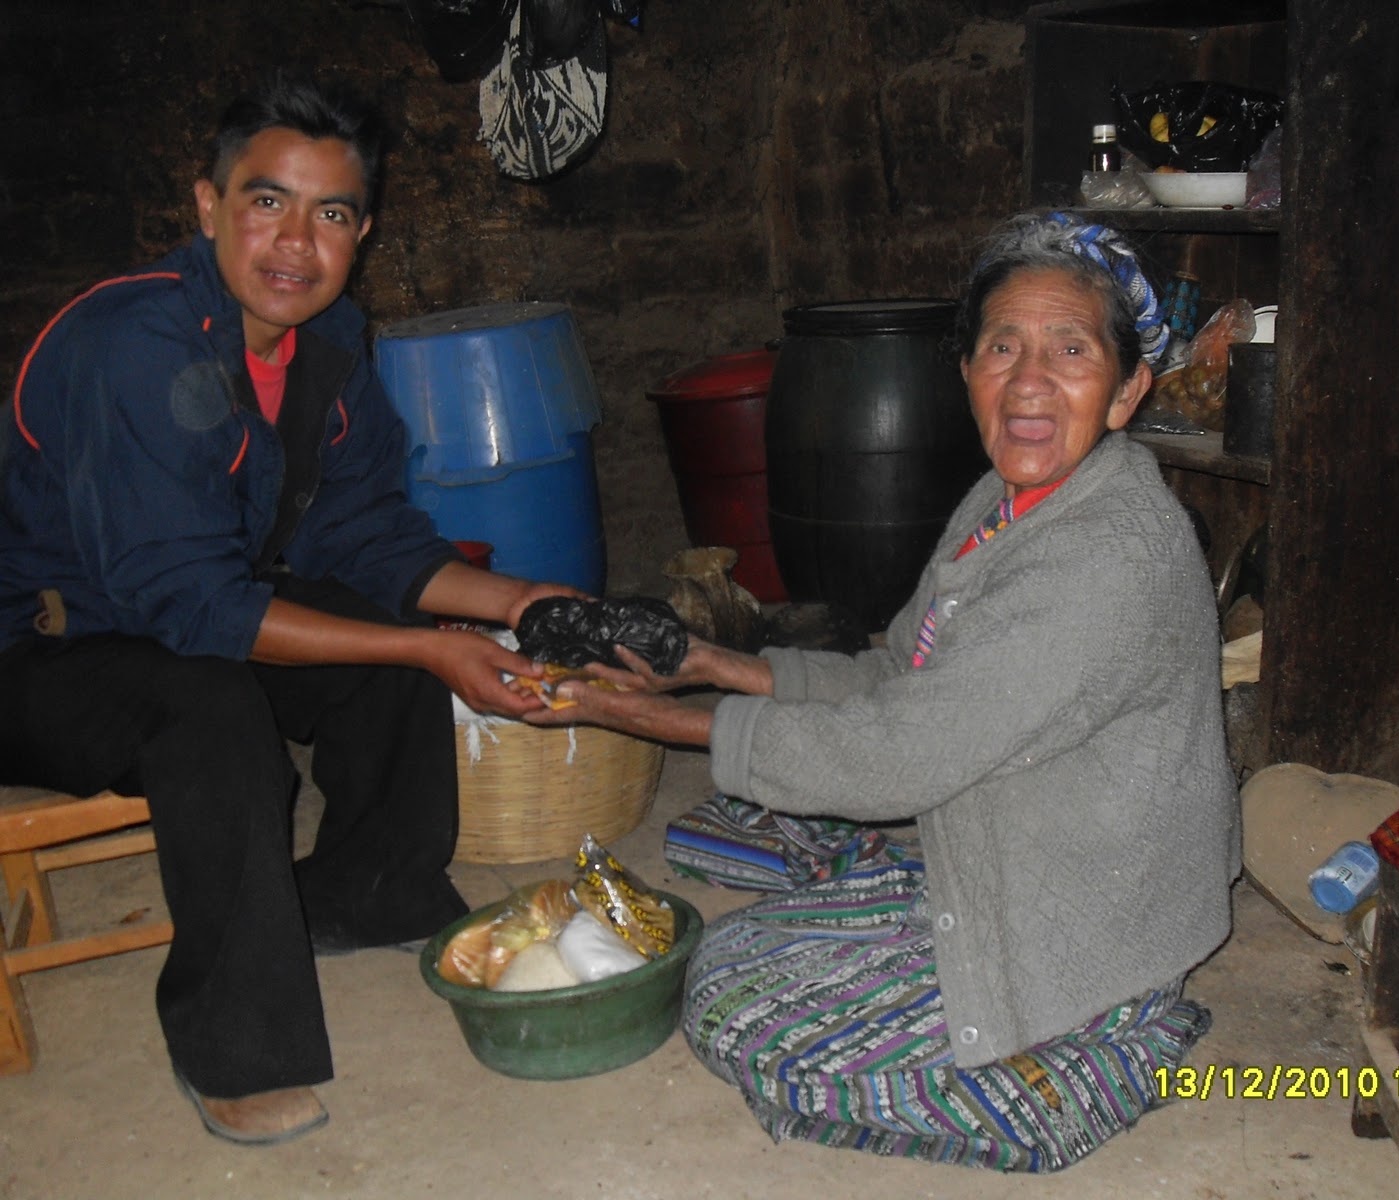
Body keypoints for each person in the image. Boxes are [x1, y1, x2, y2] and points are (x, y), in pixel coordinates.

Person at [526, 212, 1241, 1172]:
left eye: (1070, 350)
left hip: (1091, 917)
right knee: (726, 853)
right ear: (967, 375)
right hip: (1008, 844)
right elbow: (892, 675)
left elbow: (896, 755)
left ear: (1125, 392)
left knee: (726, 1000)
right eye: (1002, 347)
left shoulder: (1112, 553)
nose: (1030, 381)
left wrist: (643, 717)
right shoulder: (1003, 502)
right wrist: (713, 666)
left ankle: (1095, 1063)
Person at [0, 73, 567, 1145]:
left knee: (385, 634)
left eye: (333, 213)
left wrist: (521, 603)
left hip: (168, 616)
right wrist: (431, 648)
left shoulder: (330, 350)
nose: (295, 242)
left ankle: (371, 890)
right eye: (267, 202)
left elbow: (367, 534)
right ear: (207, 207)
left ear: (363, 234)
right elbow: (191, 605)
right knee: (212, 707)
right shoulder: (133, 344)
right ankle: (233, 1047)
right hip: (37, 650)